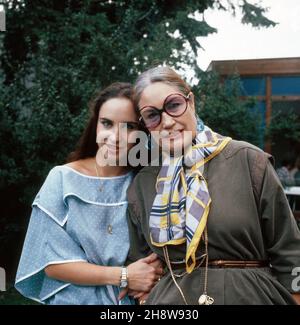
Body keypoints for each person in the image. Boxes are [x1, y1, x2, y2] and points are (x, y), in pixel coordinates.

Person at [126, 66, 300, 305]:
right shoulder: (143, 184)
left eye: (174, 105)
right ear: (145, 124)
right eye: (152, 115)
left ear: (191, 102)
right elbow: (141, 264)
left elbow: (290, 252)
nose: (166, 122)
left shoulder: (248, 160)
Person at [15, 82, 163, 305]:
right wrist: (124, 276)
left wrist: (154, 273)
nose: (115, 136)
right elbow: (52, 265)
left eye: (129, 127)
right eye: (107, 124)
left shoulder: (147, 182)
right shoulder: (62, 179)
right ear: (96, 126)